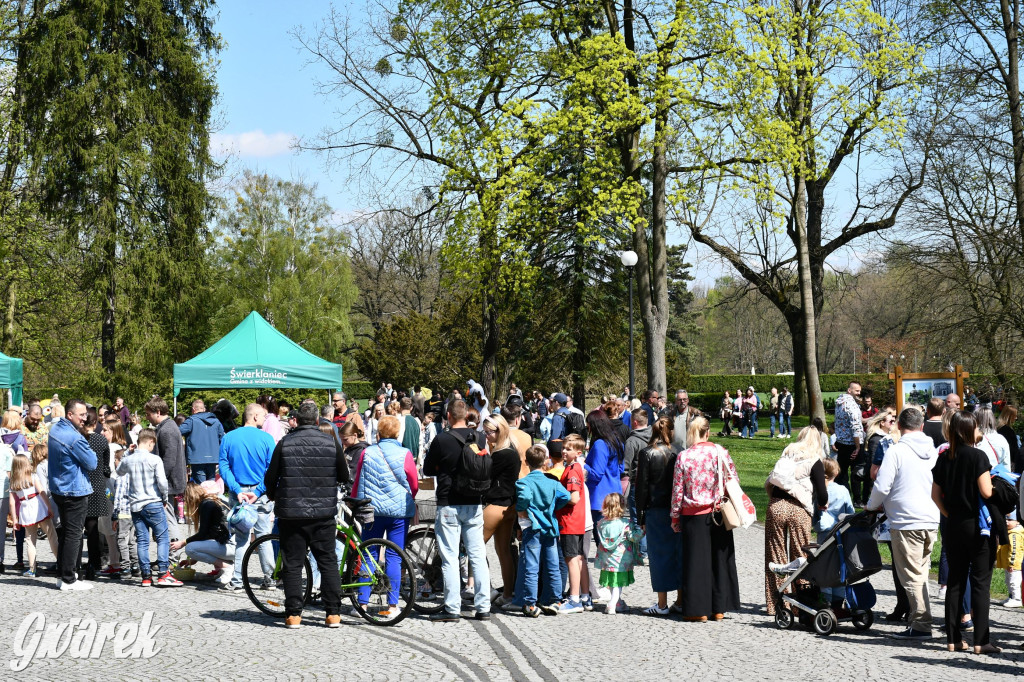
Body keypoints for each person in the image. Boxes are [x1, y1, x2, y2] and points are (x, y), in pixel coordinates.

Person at [264, 401, 350, 629]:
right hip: (323, 513)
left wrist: (272, 495)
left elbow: (271, 477)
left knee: (292, 564)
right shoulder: (331, 443)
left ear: (298, 420)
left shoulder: (285, 443)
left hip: (292, 513)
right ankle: (333, 614)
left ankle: (294, 615)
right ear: (318, 421)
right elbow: (343, 474)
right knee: (328, 561)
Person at [866, 407, 940, 640]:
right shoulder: (934, 450)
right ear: (922, 426)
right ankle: (922, 619)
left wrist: (870, 506)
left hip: (906, 520)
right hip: (930, 518)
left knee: (912, 575)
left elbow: (882, 486)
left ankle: (920, 624)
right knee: (921, 572)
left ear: (899, 426)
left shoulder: (896, 451)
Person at [931, 410, 999, 654]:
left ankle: (953, 638)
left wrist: (948, 514)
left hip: (954, 525)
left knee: (956, 582)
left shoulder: (944, 457)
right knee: (980, 582)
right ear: (969, 430)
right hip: (977, 526)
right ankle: (981, 641)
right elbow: (987, 492)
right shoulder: (977, 456)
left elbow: (935, 495)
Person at [421, 399, 491, 621]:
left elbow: (428, 468)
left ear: (449, 416)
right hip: (474, 501)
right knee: (477, 555)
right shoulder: (479, 437)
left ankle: (452, 608)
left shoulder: (442, 439)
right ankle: (483, 607)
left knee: (450, 557)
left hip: (449, 501)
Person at [670, 417, 741, 621]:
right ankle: (718, 607)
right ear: (707, 432)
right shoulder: (720, 452)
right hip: (718, 511)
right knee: (719, 560)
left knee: (695, 562)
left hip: (693, 514)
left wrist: (674, 516)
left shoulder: (684, 457)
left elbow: (678, 490)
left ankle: (697, 610)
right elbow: (733, 480)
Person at [350, 414, 417, 614]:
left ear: (378, 433)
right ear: (397, 433)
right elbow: (413, 482)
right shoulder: (405, 453)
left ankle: (362, 603)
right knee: (394, 556)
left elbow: (357, 480)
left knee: (368, 554)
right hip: (398, 512)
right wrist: (410, 498)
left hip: (372, 511)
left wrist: (355, 501)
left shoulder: (367, 452)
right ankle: (393, 605)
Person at [763, 426, 827, 615]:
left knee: (775, 556)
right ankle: (803, 605)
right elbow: (822, 493)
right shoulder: (815, 460)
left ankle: (777, 605)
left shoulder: (787, 454)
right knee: (802, 556)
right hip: (799, 509)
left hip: (777, 505)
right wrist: (822, 504)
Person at [218, 403, 277, 592]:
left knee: (241, 538)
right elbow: (272, 469)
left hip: (240, 493)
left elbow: (223, 466)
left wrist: (236, 489)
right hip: (260, 494)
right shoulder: (267, 439)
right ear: (255, 416)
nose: (264, 420)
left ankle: (237, 581)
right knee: (264, 536)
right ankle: (270, 578)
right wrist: (259, 491)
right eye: (263, 416)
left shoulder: (229, 437)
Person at [117, 428, 181, 587]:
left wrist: (126, 454)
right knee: (162, 538)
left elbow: (119, 471)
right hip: (153, 502)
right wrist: (165, 498)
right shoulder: (155, 459)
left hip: (136, 506)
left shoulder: (129, 459)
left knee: (143, 541)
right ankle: (163, 573)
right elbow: (162, 482)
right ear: (151, 442)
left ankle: (146, 576)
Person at [513, 445, 570, 617]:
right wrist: (553, 507)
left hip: (533, 526)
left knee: (532, 565)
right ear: (545, 461)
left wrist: (523, 509)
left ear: (526, 462)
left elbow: (524, 498)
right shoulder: (552, 482)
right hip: (550, 526)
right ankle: (555, 600)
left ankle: (530, 602)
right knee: (553, 564)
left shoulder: (524, 482)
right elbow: (566, 496)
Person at [47, 399, 98, 590]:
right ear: (70, 415)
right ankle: (69, 579)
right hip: (74, 490)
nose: (85, 418)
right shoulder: (74, 437)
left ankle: (62, 575)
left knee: (67, 534)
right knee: (73, 534)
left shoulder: (55, 429)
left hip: (59, 488)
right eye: (82, 415)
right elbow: (92, 463)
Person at [635, 417, 682, 615]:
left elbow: (642, 488)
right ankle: (680, 600)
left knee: (658, 557)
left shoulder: (646, 453)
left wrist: (641, 516)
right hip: (676, 509)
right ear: (670, 431)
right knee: (678, 555)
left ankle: (662, 603)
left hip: (655, 510)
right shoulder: (678, 451)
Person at [480, 414, 520, 609]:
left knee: (475, 548)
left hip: (496, 505)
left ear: (500, 430)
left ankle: (485, 591)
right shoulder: (511, 450)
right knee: (504, 552)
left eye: (490, 432)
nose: (487, 435)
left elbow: (486, 477)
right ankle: (507, 594)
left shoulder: (501, 454)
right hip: (509, 506)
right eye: (485, 431)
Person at [171, 482, 234, 584]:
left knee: (190, 548)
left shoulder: (206, 504)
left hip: (230, 547)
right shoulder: (216, 501)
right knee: (195, 547)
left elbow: (203, 534)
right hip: (234, 545)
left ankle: (227, 567)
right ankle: (224, 566)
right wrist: (194, 559)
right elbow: (210, 536)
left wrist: (183, 543)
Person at [7, 453, 58, 577]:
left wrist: (15, 519)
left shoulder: (13, 482)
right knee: (51, 535)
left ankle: (32, 569)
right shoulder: (33, 477)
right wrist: (49, 507)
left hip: (25, 509)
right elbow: (42, 492)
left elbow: (12, 503)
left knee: (30, 540)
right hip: (38, 506)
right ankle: (61, 563)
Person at [813, 458, 854, 607]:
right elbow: (850, 511)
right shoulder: (842, 490)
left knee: (825, 566)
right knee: (839, 567)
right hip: (841, 532)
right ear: (836, 472)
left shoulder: (817, 491)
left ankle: (826, 600)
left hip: (824, 532)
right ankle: (838, 600)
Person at [555, 434, 590, 614]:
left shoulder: (572, 470)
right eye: (563, 448)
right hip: (577, 521)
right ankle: (585, 596)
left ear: (578, 452)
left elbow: (574, 498)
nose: (564, 451)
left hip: (569, 521)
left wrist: (556, 499)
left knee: (571, 559)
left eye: (568, 449)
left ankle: (574, 599)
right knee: (578, 558)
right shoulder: (575, 467)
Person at [595, 492, 643, 615]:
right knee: (618, 583)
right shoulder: (625, 523)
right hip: (621, 559)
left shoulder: (601, 523)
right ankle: (612, 603)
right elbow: (634, 538)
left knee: (612, 582)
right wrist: (643, 531)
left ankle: (619, 603)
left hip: (606, 560)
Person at [583, 409, 625, 537]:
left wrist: (582, 464)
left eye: (588, 425)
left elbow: (596, 474)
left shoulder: (600, 444)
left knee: (602, 541)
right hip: (615, 493)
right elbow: (621, 468)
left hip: (600, 497)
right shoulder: (617, 441)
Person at [145, 397, 187, 525]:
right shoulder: (166, 427)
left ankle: (172, 542)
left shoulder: (167, 429)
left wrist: (159, 479)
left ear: (158, 412)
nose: (147, 417)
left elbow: (169, 459)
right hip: (168, 481)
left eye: (148, 414)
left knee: (168, 519)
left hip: (168, 483)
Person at [1, 409, 30, 573]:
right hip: (18, 483)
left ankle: (3, 558)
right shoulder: (20, 438)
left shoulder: (0, 437)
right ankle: (22, 559)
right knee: (20, 522)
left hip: (3, 483)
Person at [178, 399, 225, 484]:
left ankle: (204, 497)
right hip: (213, 458)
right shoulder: (216, 421)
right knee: (211, 486)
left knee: (200, 487)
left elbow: (177, 432)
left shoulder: (191, 420)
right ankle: (210, 497)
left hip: (197, 458)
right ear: (204, 409)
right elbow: (223, 439)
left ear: (193, 409)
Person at [833, 381, 864, 488]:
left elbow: (857, 421)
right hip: (852, 444)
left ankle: (841, 495)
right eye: (857, 390)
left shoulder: (839, 402)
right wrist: (857, 447)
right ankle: (856, 499)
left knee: (842, 472)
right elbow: (855, 428)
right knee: (857, 473)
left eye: (860, 390)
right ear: (849, 390)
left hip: (841, 442)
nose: (859, 393)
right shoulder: (852, 405)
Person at [995, 405, 1021, 473]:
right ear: (1009, 416)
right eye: (1014, 416)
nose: (1016, 418)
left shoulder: (998, 428)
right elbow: (1011, 449)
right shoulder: (1007, 430)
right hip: (1008, 462)